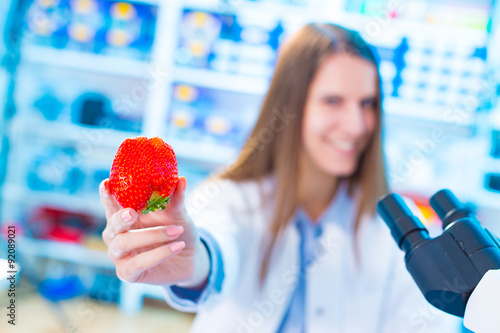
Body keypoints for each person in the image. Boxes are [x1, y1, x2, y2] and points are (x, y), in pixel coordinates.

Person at [99, 23, 461, 332]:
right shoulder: (230, 198)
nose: (356, 125)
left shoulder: (392, 228)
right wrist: (191, 262)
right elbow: (216, 248)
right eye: (333, 101)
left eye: (367, 103)